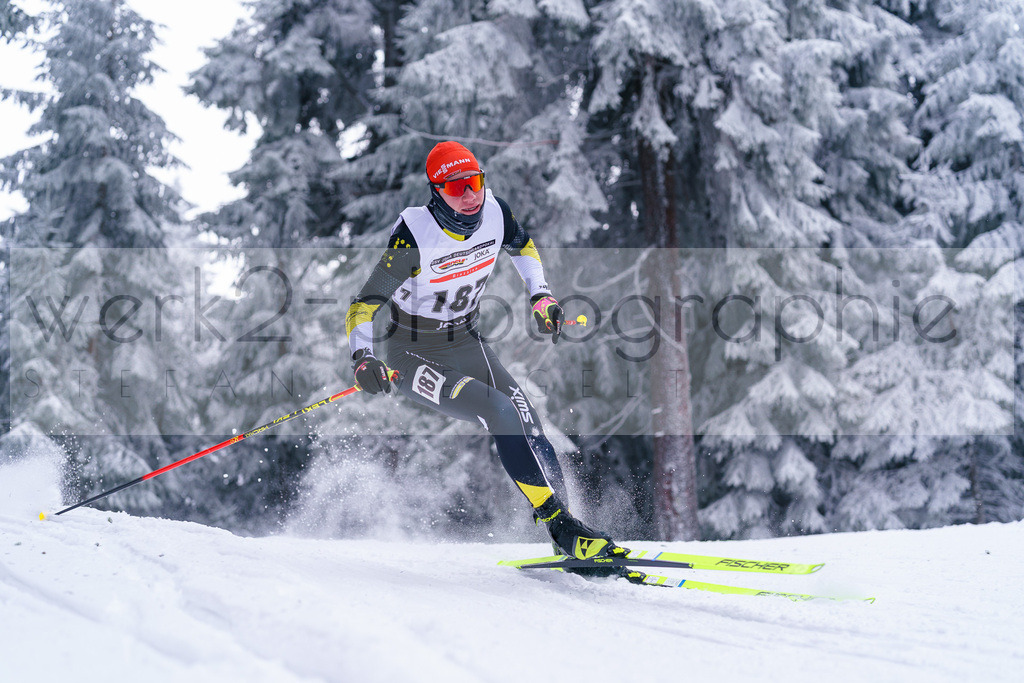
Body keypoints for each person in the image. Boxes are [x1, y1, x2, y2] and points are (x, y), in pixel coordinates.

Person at [345, 141, 642, 582]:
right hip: (413, 353)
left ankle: (569, 530)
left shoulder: (496, 214)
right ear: (436, 191)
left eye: (477, 182)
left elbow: (524, 249)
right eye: (458, 187)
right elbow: (363, 305)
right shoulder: (414, 233)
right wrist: (362, 357)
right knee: (499, 411)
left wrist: (542, 296)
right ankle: (563, 531)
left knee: (529, 420)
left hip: (467, 340)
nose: (471, 195)